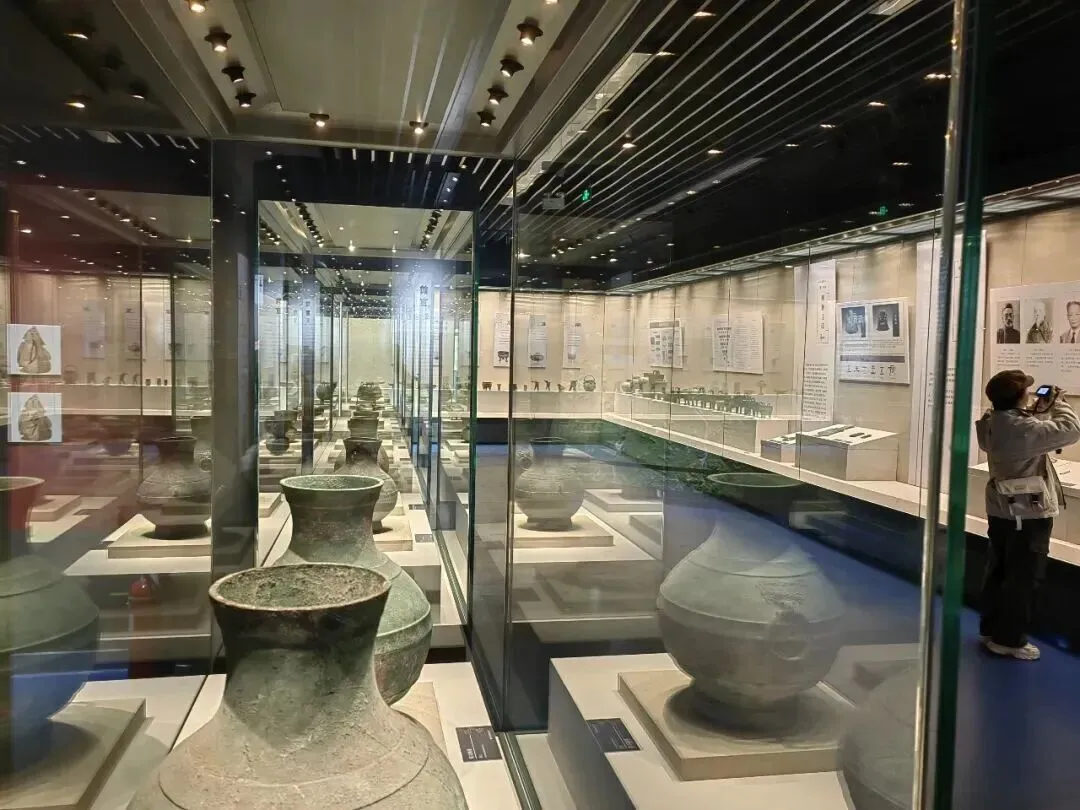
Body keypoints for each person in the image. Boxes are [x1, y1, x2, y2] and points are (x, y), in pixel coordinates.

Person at [975, 370, 1080, 660]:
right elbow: (1071, 429)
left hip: (1001, 510)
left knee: (999, 570)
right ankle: (1009, 640)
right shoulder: (1021, 429)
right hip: (1027, 514)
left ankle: (991, 629)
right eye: (1026, 392)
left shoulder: (993, 420)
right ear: (1019, 398)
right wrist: (1060, 404)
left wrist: (1036, 410)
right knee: (1023, 578)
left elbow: (1022, 427)